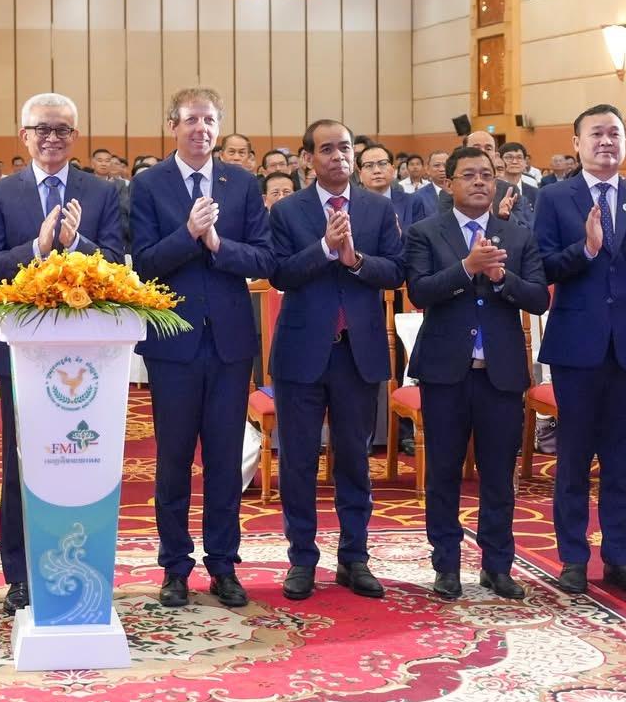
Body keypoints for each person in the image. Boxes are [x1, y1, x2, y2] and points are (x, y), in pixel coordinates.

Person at [0, 92, 124, 615]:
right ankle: (19, 575)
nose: (52, 138)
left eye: (62, 130)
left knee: (84, 458)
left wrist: (78, 244)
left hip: (90, 356)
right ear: (24, 136)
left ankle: (88, 565)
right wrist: (38, 248)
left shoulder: (101, 192)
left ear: (75, 137)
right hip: (23, 353)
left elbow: (118, 262)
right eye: (42, 129)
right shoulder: (0, 194)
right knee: (21, 462)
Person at [131, 89, 275, 609]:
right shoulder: (149, 184)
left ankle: (223, 564)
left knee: (224, 460)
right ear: (173, 125)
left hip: (230, 342)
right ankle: (174, 566)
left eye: (209, 120)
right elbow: (144, 261)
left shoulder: (241, 183)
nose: (201, 128)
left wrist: (217, 245)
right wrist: (189, 234)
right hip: (173, 343)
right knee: (173, 460)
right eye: (191, 119)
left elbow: (263, 258)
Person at [535, 103, 626, 597]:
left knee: (621, 460)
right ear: (576, 143)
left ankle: (621, 558)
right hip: (577, 345)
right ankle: (573, 558)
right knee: (573, 458)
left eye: (614, 133)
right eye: (596, 134)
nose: (606, 142)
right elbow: (542, 266)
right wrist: (588, 250)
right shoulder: (555, 198)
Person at [266, 119, 406, 601]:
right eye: (327, 149)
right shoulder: (288, 210)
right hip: (302, 353)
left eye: (345, 148)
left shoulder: (377, 207)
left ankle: (354, 558)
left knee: (354, 460)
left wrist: (356, 261)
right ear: (308, 159)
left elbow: (397, 271)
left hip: (357, 353)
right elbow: (279, 272)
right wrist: (325, 249)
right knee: (299, 461)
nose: (338, 157)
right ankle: (302, 559)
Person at [404, 144, 547, 602]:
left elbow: (539, 298)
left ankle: (497, 565)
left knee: (499, 474)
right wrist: (467, 268)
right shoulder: (426, 232)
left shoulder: (517, 235)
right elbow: (420, 291)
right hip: (445, 371)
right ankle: (446, 565)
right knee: (443, 471)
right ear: (449, 184)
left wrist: (503, 279)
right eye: (469, 174)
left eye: (487, 174)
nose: (481, 181)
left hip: (500, 373)